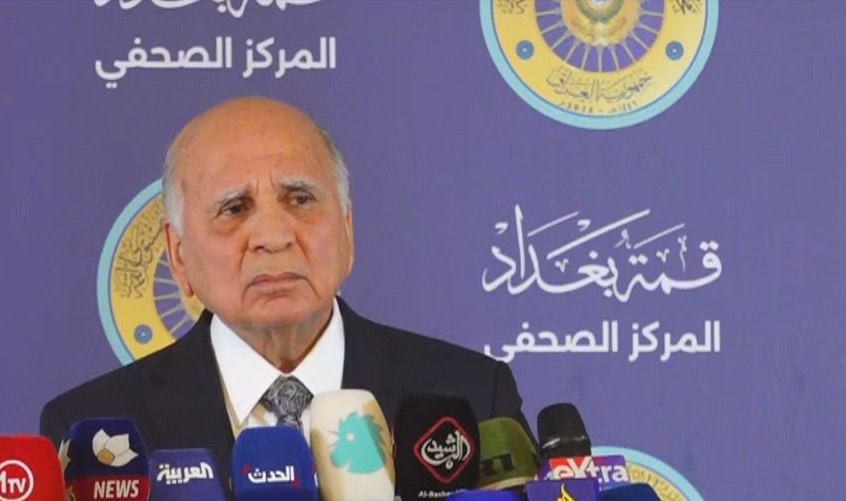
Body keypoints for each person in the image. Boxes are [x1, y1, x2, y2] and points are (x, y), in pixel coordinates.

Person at [40, 97, 526, 463]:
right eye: (235, 208)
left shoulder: (472, 399)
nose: (273, 237)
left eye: (300, 199)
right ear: (179, 254)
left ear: (348, 230)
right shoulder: (92, 433)